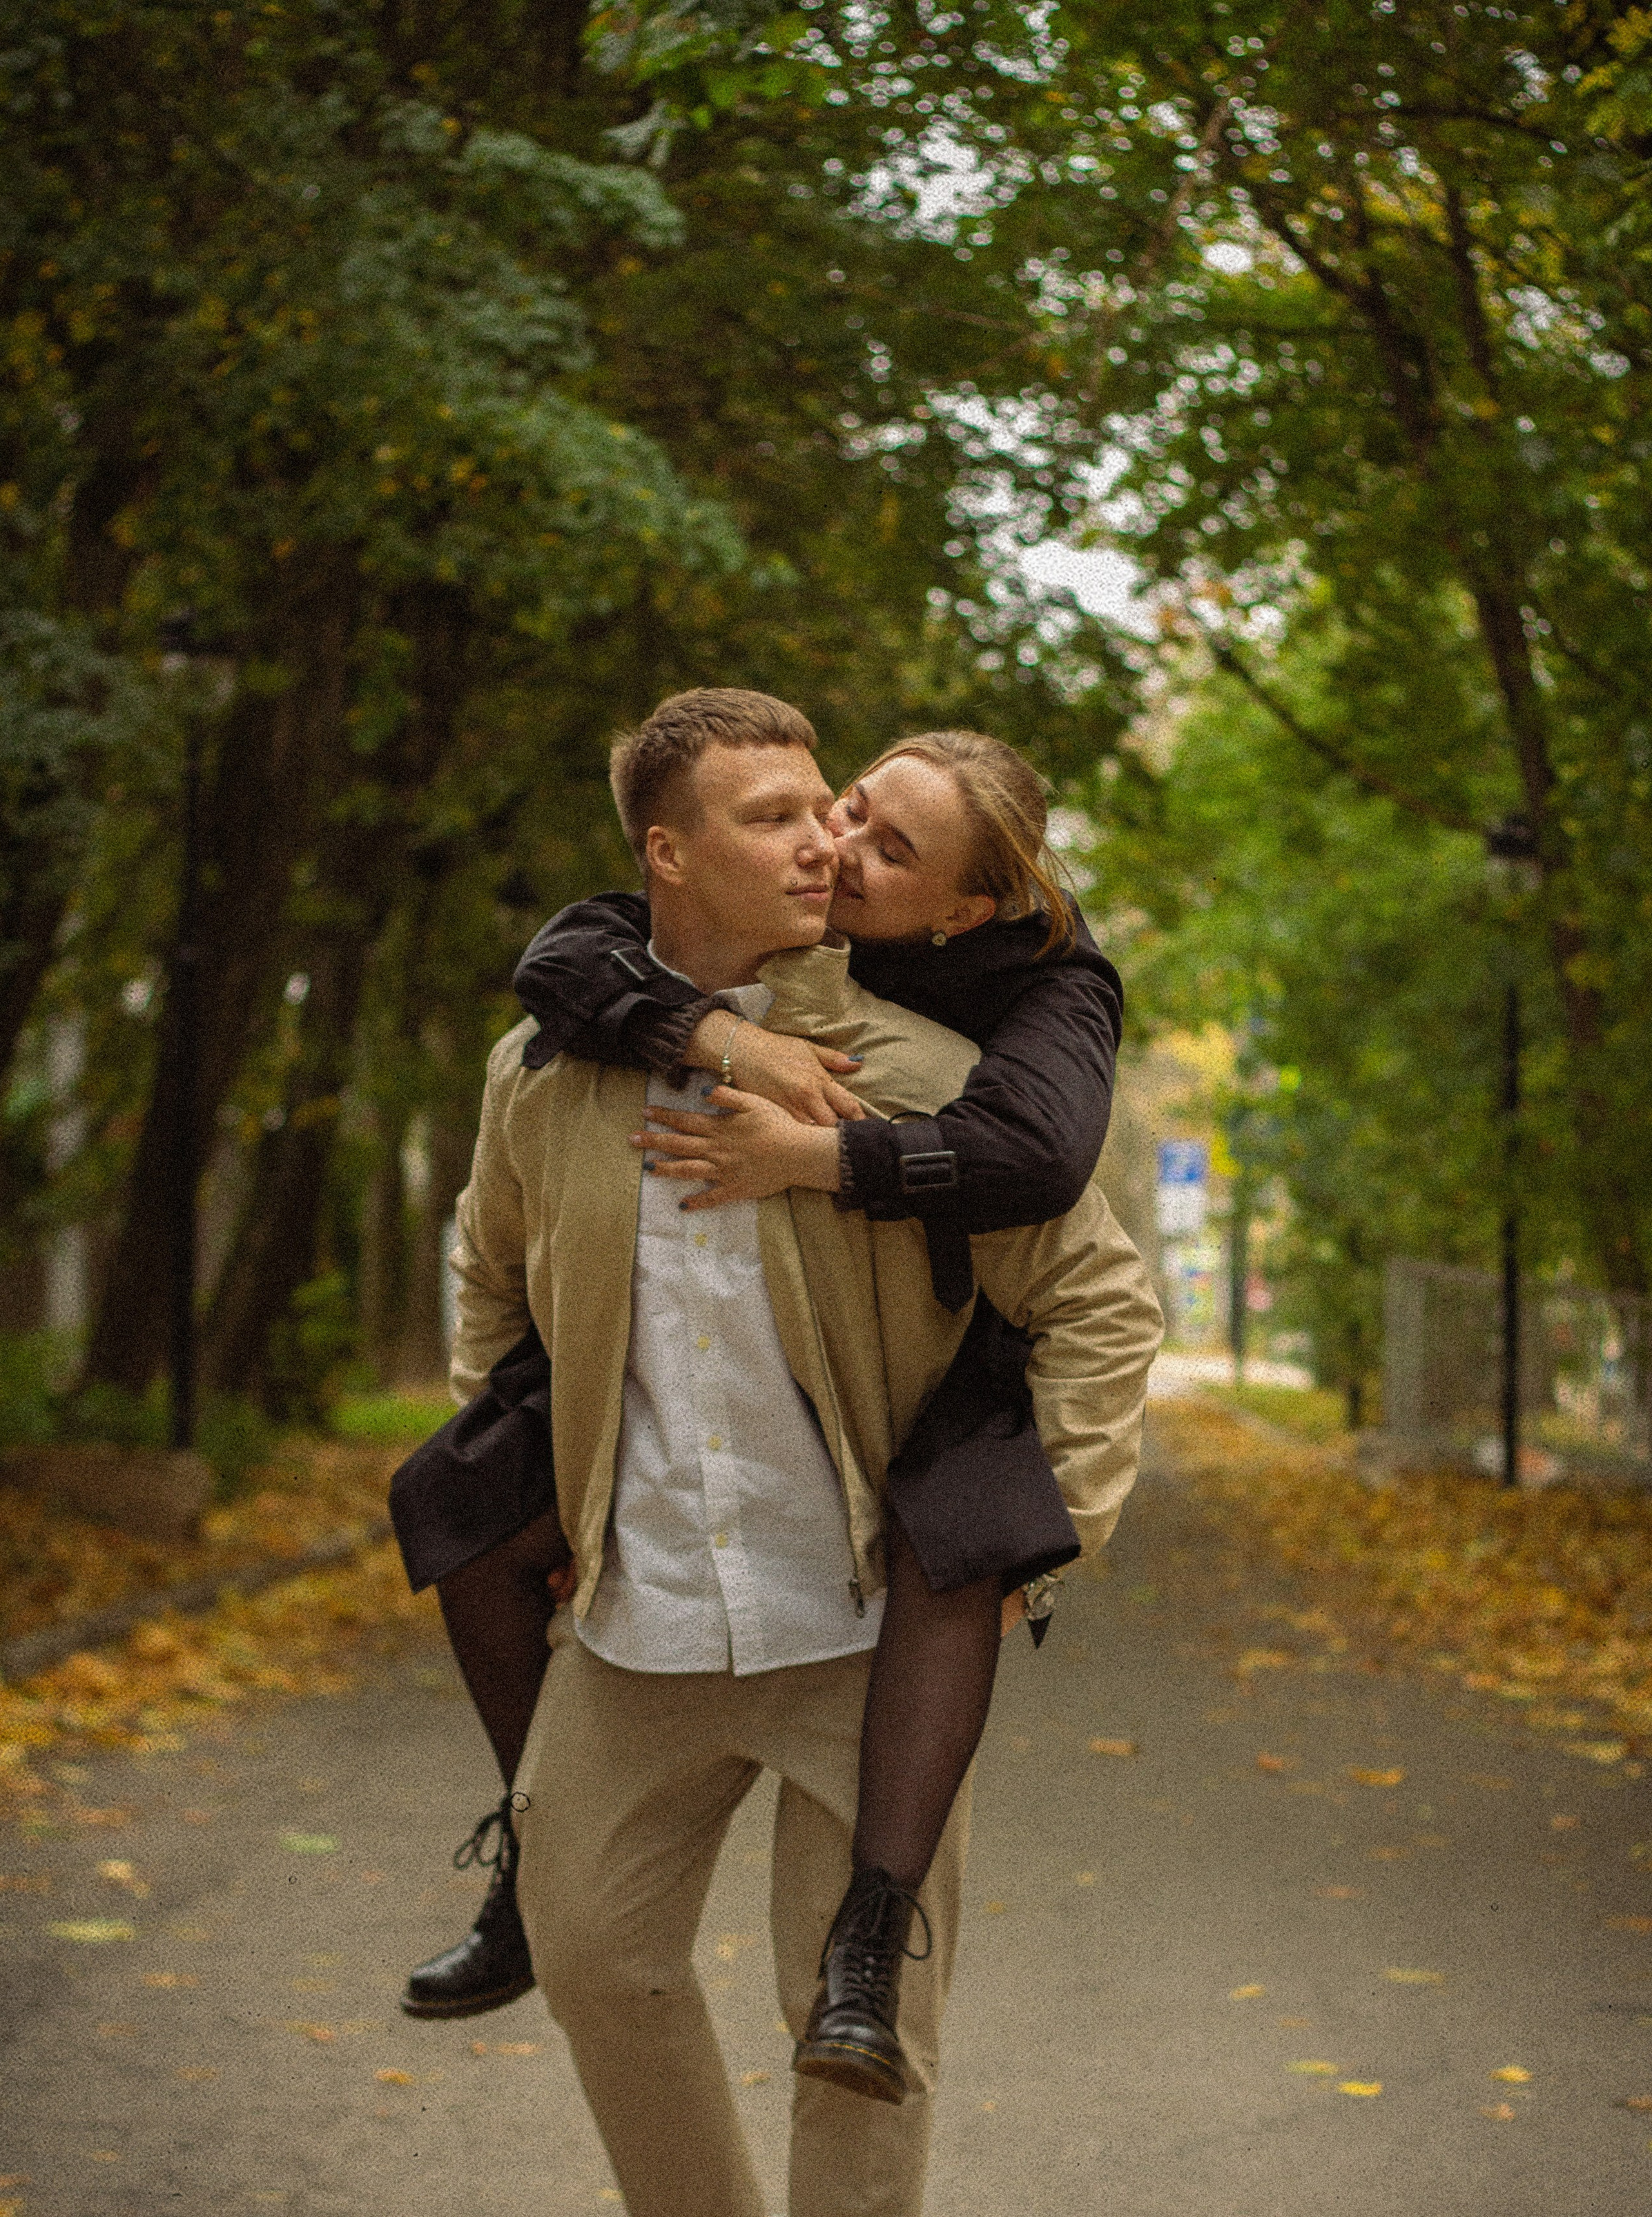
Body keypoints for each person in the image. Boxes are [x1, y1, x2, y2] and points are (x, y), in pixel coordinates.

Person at [444, 685, 1160, 2217]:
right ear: (664, 854)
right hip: (639, 1616)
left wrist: (1032, 1536)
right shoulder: (547, 1075)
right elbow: (492, 1269)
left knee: (862, 2020)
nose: (818, 843)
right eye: (769, 817)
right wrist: (512, 1468)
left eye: (825, 813)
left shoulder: (916, 1073)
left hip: (864, 1627)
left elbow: (1101, 1304)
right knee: (588, 1945)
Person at [393, 728, 1128, 2105]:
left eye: (882, 845)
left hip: (946, 1356)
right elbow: (559, 971)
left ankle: (871, 1926)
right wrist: (719, 1029)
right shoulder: (600, 1011)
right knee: (451, 1489)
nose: (836, 845)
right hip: (656, 1547)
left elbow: (1039, 1167)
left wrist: (813, 1152)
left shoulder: (1033, 995)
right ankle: (528, 1845)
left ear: (961, 907)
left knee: (955, 1541)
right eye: (838, 810)